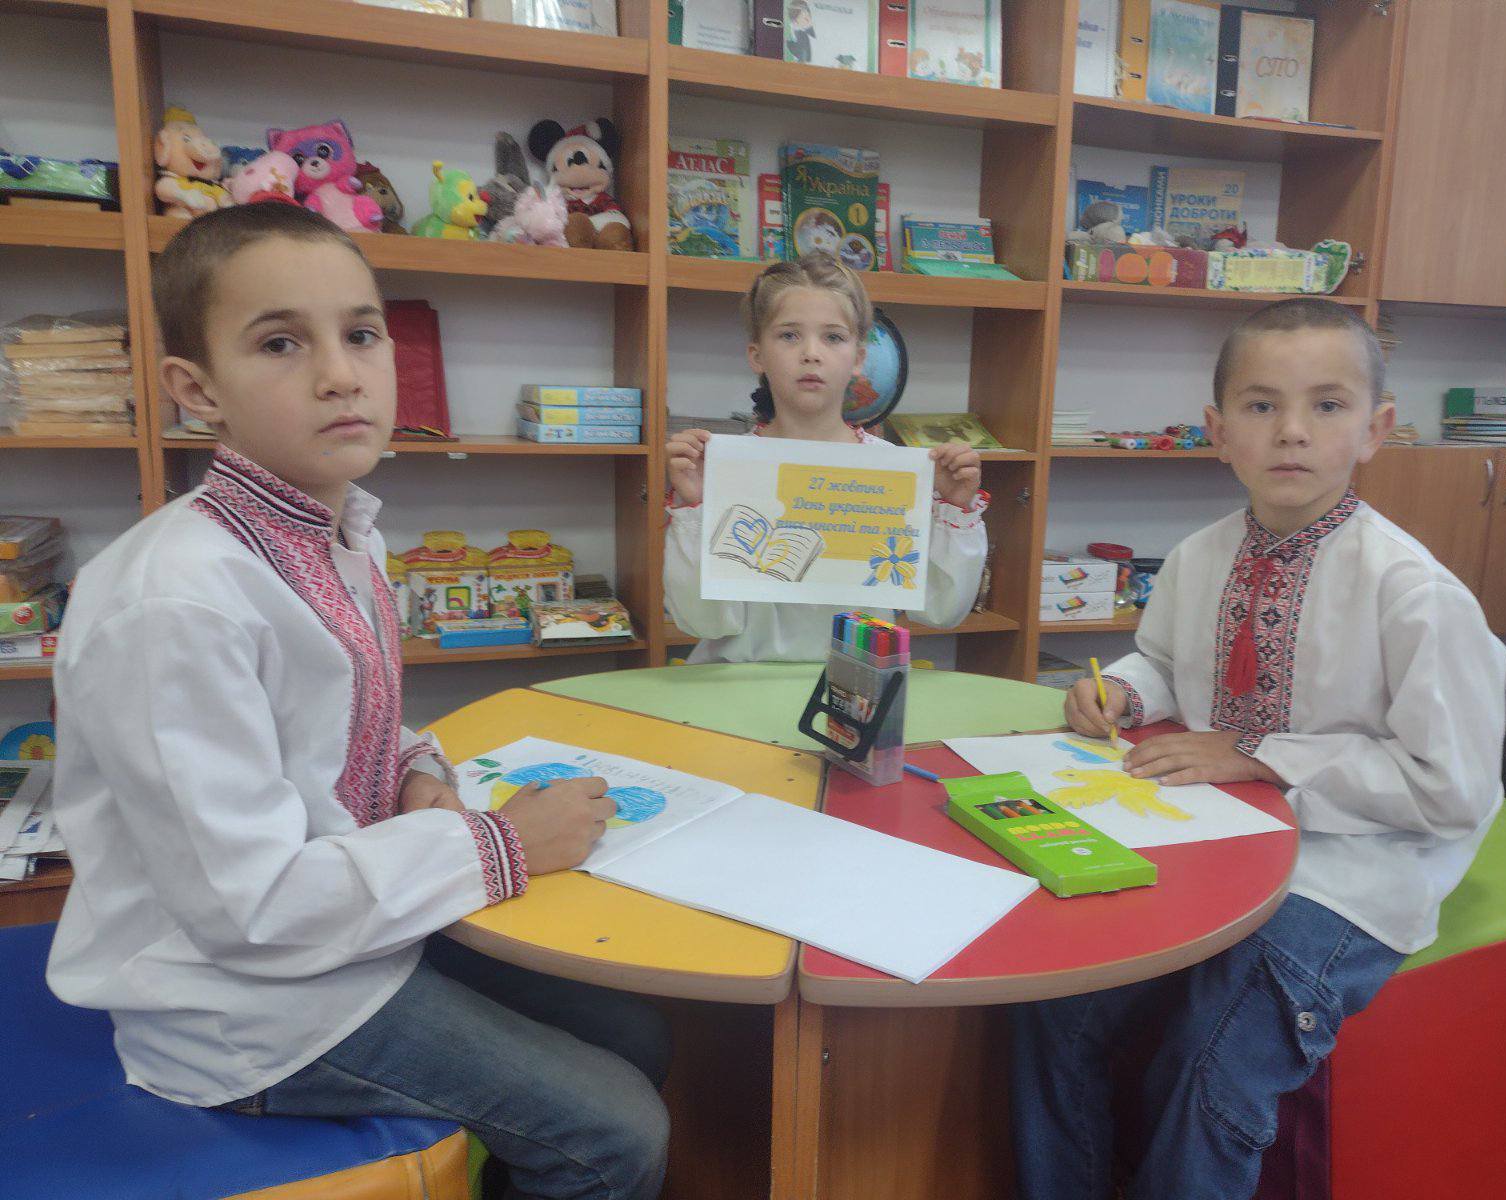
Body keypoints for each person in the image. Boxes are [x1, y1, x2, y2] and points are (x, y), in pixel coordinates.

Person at [46, 204, 669, 1200]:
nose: (340, 374)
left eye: (362, 334)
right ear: (197, 390)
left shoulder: (343, 533)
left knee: (636, 1024)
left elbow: (342, 725)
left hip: (354, 929)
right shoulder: (176, 603)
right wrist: (503, 845)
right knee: (617, 1132)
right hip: (247, 1007)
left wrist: (415, 771)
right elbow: (249, 911)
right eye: (281, 343)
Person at [1014, 298, 1506, 1200]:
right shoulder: (1199, 557)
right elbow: (1170, 662)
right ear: (1218, 432)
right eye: (1260, 405)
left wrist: (1258, 755)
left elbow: (1454, 789)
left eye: (1327, 405)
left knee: (1214, 1057)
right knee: (1053, 1000)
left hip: (1354, 870)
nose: (1291, 431)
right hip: (1211, 838)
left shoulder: (1414, 594)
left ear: (1375, 430)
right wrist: (1123, 690)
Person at [664, 253, 988, 663]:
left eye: (833, 337)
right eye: (789, 335)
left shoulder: (896, 474)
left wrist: (956, 507)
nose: (811, 353)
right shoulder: (725, 469)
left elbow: (941, 611)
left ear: (858, 358)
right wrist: (694, 506)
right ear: (757, 355)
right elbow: (703, 623)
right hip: (738, 680)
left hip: (857, 684)